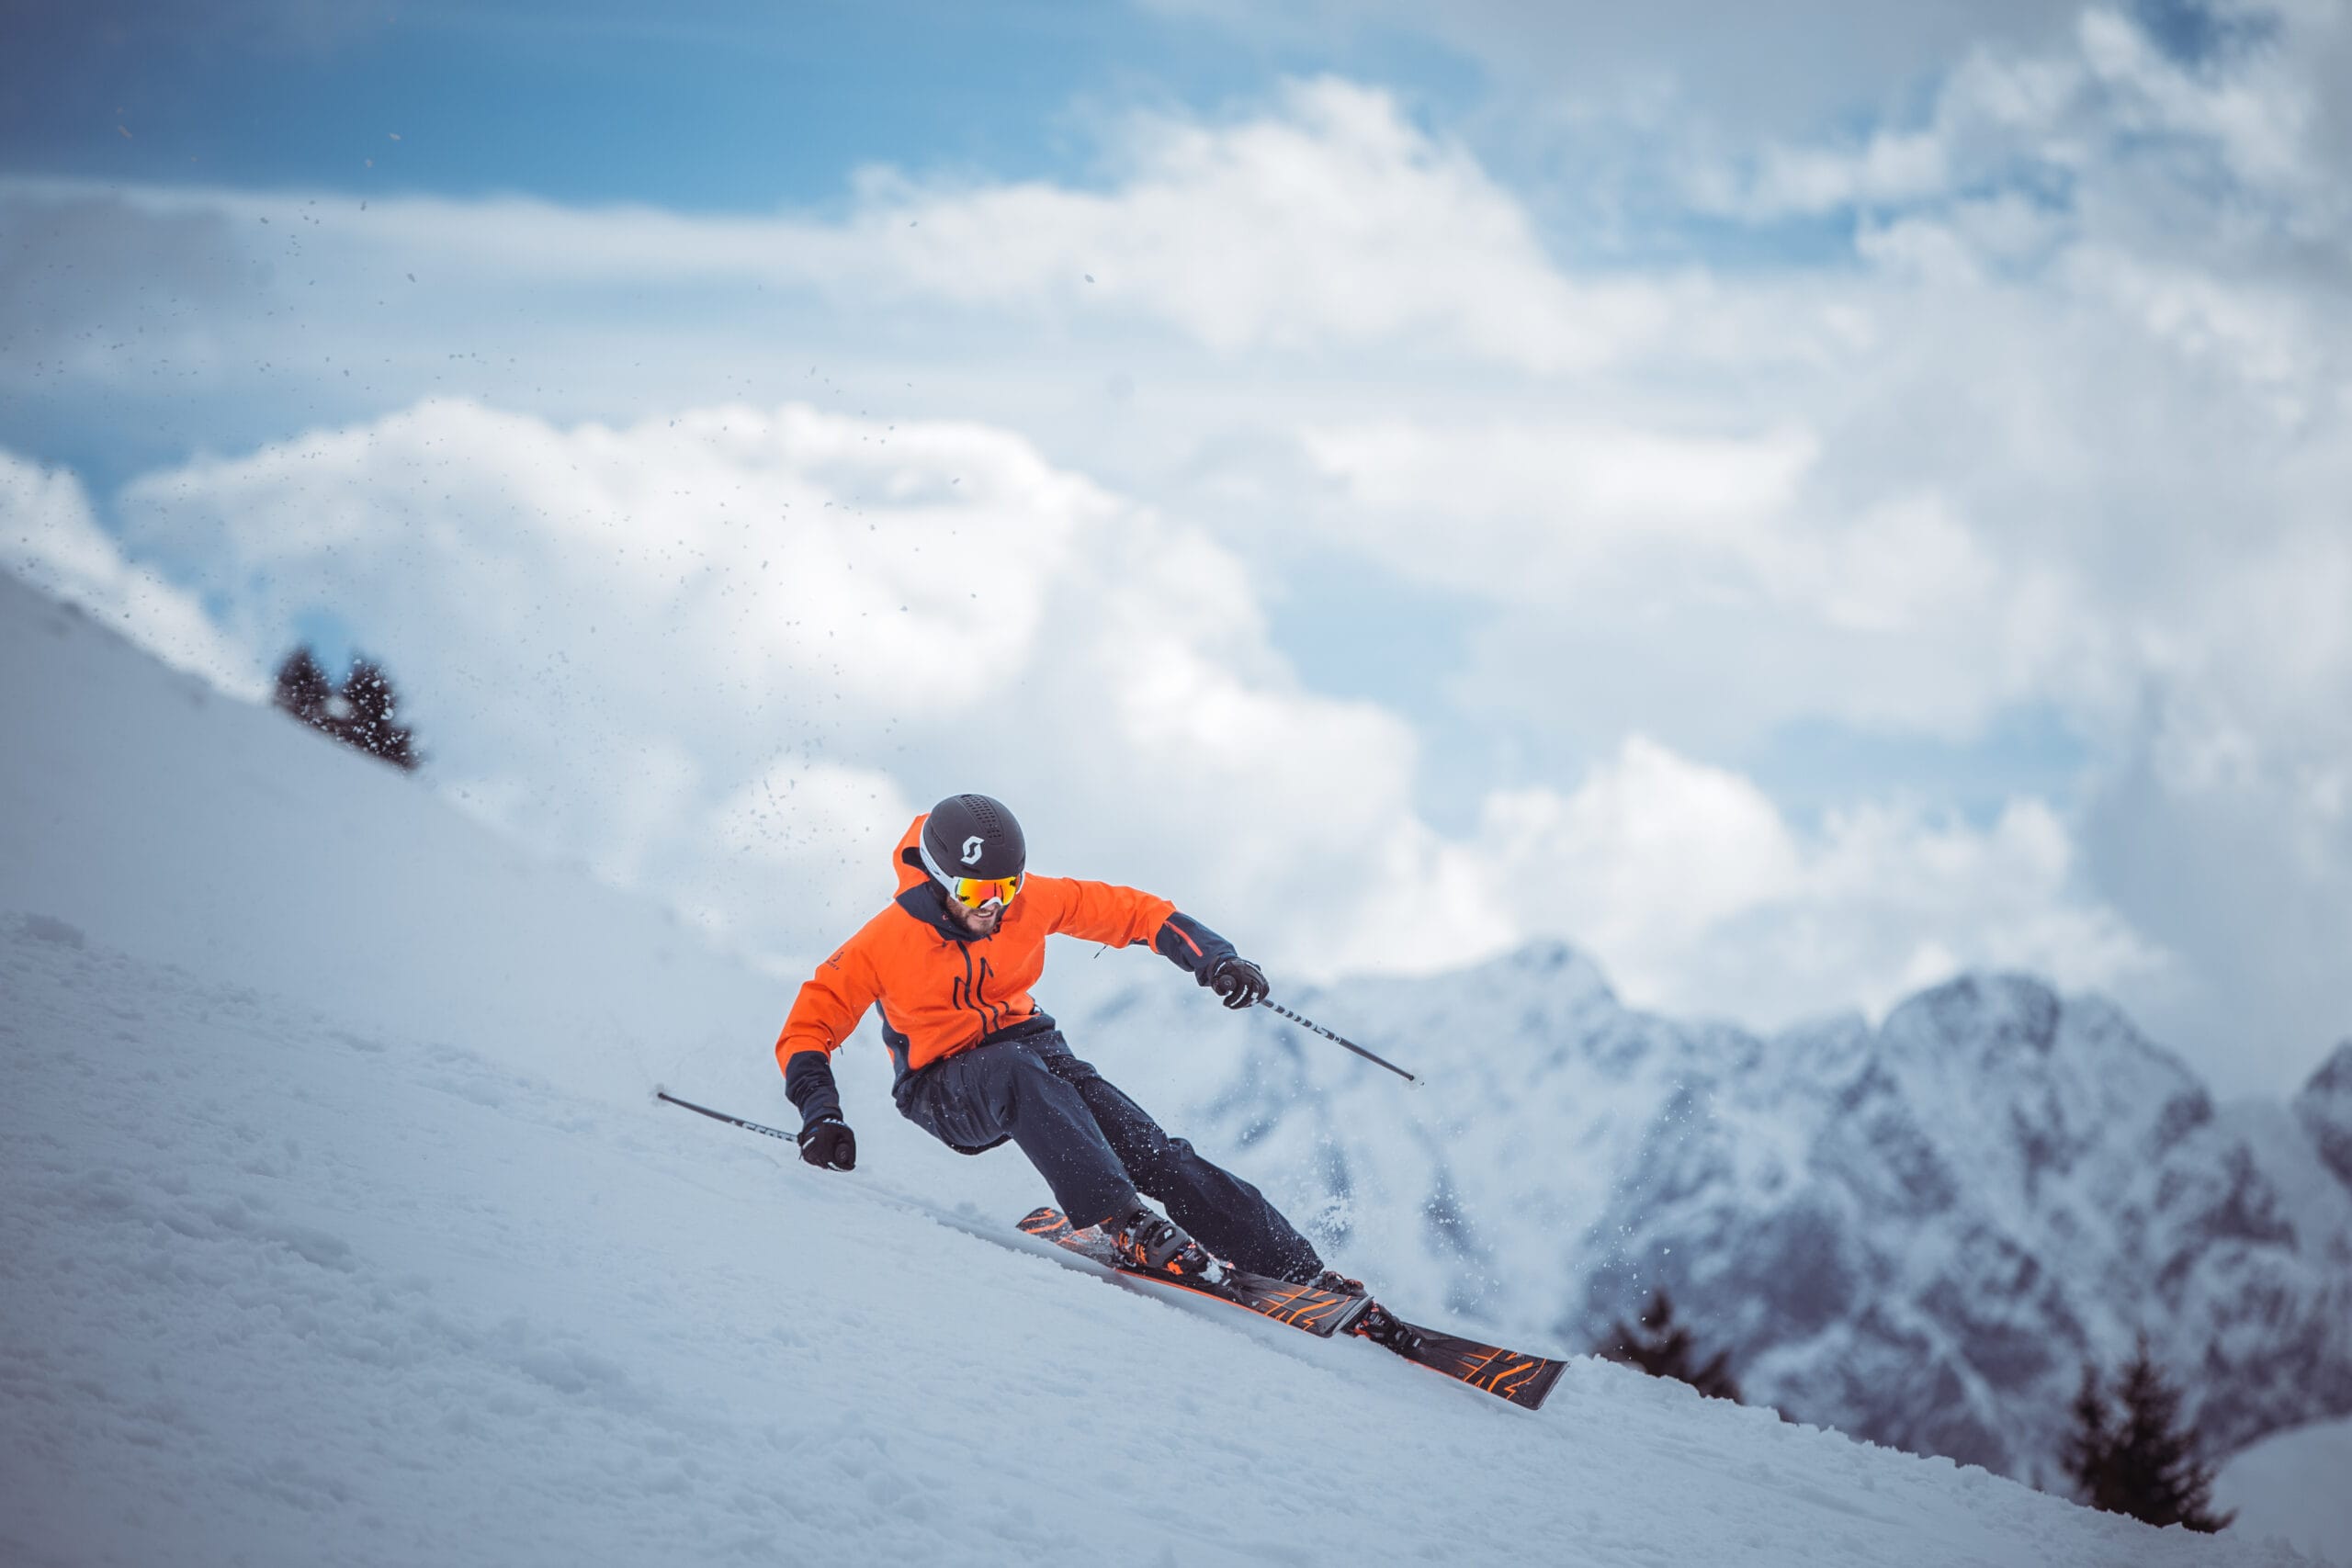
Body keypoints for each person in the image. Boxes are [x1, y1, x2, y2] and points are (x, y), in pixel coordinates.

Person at [774, 792, 1353, 1291]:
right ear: (938, 881)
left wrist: (1214, 958)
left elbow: (1134, 913)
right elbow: (808, 1026)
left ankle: (1297, 1270)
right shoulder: (885, 941)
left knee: (1156, 1152)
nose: (995, 904)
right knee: (1014, 1070)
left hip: (1035, 1053)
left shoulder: (1028, 903)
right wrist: (820, 1115)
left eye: (1007, 885)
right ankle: (1123, 1222)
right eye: (977, 892)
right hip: (943, 1085)